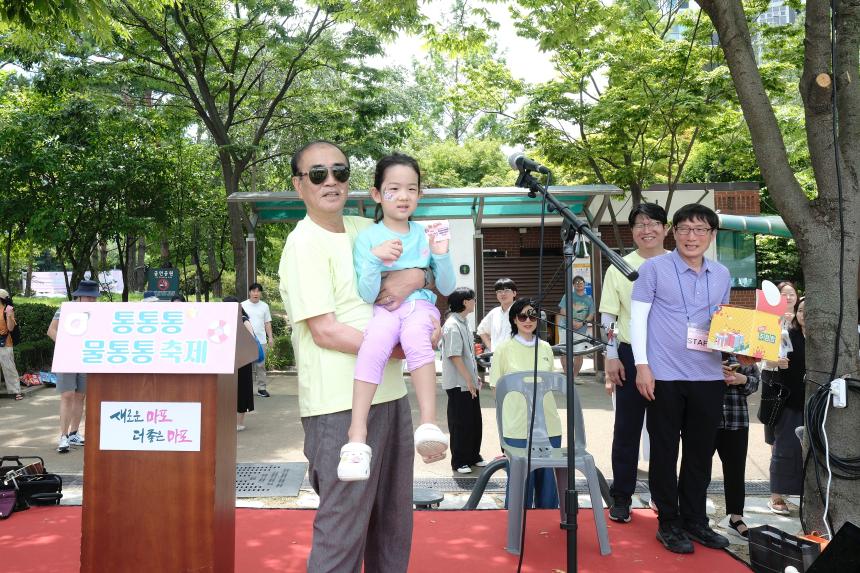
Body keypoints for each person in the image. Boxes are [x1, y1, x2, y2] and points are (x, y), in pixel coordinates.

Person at [279, 140, 426, 571]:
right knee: (341, 532)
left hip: (392, 396)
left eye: (339, 172)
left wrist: (416, 278)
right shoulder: (303, 243)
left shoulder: (366, 229)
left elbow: (420, 267)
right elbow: (324, 330)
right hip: (337, 406)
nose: (331, 181)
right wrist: (395, 348)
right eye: (318, 174)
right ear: (299, 185)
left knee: (393, 527)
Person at [339, 153, 455, 481]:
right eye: (393, 189)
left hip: (420, 307)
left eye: (411, 189)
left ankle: (429, 424)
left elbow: (446, 286)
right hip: (385, 310)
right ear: (377, 194)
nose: (403, 196)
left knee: (418, 339)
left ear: (420, 194)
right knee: (373, 344)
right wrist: (374, 260)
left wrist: (442, 254)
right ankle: (356, 437)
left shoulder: (426, 233)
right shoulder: (368, 238)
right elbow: (367, 293)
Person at [630, 203, 733, 554]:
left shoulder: (722, 274)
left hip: (708, 375)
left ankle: (695, 520)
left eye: (700, 229)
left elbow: (723, 324)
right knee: (664, 451)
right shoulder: (653, 269)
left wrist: (740, 352)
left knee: (700, 453)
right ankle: (669, 522)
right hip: (664, 375)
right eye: (685, 228)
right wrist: (642, 366)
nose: (692, 236)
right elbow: (637, 320)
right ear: (673, 232)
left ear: (711, 235)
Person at [600, 202, 669, 523]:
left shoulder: (678, 263)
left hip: (670, 357)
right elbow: (609, 317)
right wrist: (612, 356)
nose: (647, 230)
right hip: (628, 354)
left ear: (665, 229)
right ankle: (621, 497)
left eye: (653, 223)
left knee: (665, 430)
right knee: (626, 429)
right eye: (640, 224)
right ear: (632, 231)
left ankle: (662, 495)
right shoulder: (619, 266)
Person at [489, 297, 561, 508]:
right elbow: (496, 389)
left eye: (532, 316)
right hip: (517, 425)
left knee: (548, 482)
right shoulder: (503, 349)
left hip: (549, 423)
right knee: (520, 482)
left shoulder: (546, 348)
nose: (528, 321)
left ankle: (547, 522)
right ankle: (516, 523)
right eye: (522, 316)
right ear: (514, 319)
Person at [47, 279, 100, 453]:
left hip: (86, 357)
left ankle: (74, 433)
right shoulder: (66, 309)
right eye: (88, 297)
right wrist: (66, 343)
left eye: (94, 297)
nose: (92, 300)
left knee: (80, 395)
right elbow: (51, 330)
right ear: (80, 296)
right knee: (67, 394)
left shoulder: (98, 311)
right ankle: (63, 436)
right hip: (67, 356)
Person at [764, 296, 806, 515]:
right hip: (788, 400)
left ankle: (807, 493)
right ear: (796, 313)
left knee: (812, 451)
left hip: (816, 403)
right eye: (801, 310)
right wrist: (777, 362)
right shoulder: (787, 335)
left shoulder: (824, 339)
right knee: (785, 448)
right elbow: (767, 362)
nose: (805, 314)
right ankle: (776, 495)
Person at [440, 287, 486, 474]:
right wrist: (468, 378)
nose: (475, 302)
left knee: (474, 421)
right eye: (473, 299)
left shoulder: (463, 322)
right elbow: (454, 355)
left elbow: (468, 356)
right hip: (458, 384)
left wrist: (474, 377)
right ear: (466, 302)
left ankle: (473, 456)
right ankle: (459, 461)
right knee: (460, 423)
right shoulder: (452, 325)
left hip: (467, 382)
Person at [715, 356, 760, 538]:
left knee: (735, 470)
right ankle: (694, 514)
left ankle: (736, 517)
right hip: (706, 419)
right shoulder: (704, 350)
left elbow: (755, 383)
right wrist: (713, 373)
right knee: (697, 469)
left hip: (737, 419)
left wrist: (743, 380)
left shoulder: (743, 353)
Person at [225, 296, 255, 432]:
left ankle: (239, 422)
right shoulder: (223, 321)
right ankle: (229, 421)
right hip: (228, 361)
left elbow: (251, 340)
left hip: (242, 361)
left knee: (242, 390)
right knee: (228, 391)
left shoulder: (243, 320)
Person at [241, 283, 274, 398]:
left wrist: (270, 337)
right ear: (249, 292)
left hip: (261, 340)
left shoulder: (264, 306)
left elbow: (267, 323)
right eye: (253, 291)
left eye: (258, 291)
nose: (256, 293)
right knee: (246, 366)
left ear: (260, 293)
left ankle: (262, 388)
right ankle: (246, 389)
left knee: (261, 365)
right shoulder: (242, 305)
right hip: (246, 341)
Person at [558, 275, 594, 378]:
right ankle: (567, 377)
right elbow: (563, 311)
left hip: (581, 330)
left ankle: (573, 377)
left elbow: (591, 315)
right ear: (573, 285)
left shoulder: (589, 299)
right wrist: (572, 322)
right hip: (565, 328)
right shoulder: (567, 296)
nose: (579, 284)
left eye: (581, 282)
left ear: (584, 284)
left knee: (579, 354)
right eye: (576, 282)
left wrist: (581, 323)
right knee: (564, 352)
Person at [477, 278, 517, 352]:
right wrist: (491, 347)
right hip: (495, 356)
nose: (503, 294)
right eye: (499, 291)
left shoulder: (520, 312)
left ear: (514, 293)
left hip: (515, 355)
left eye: (507, 290)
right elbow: (481, 330)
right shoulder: (494, 312)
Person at [0, 289, 23, 401]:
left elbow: (10, 328)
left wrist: (9, 316)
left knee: (9, 367)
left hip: (5, 342)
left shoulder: (8, 309)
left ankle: (15, 391)